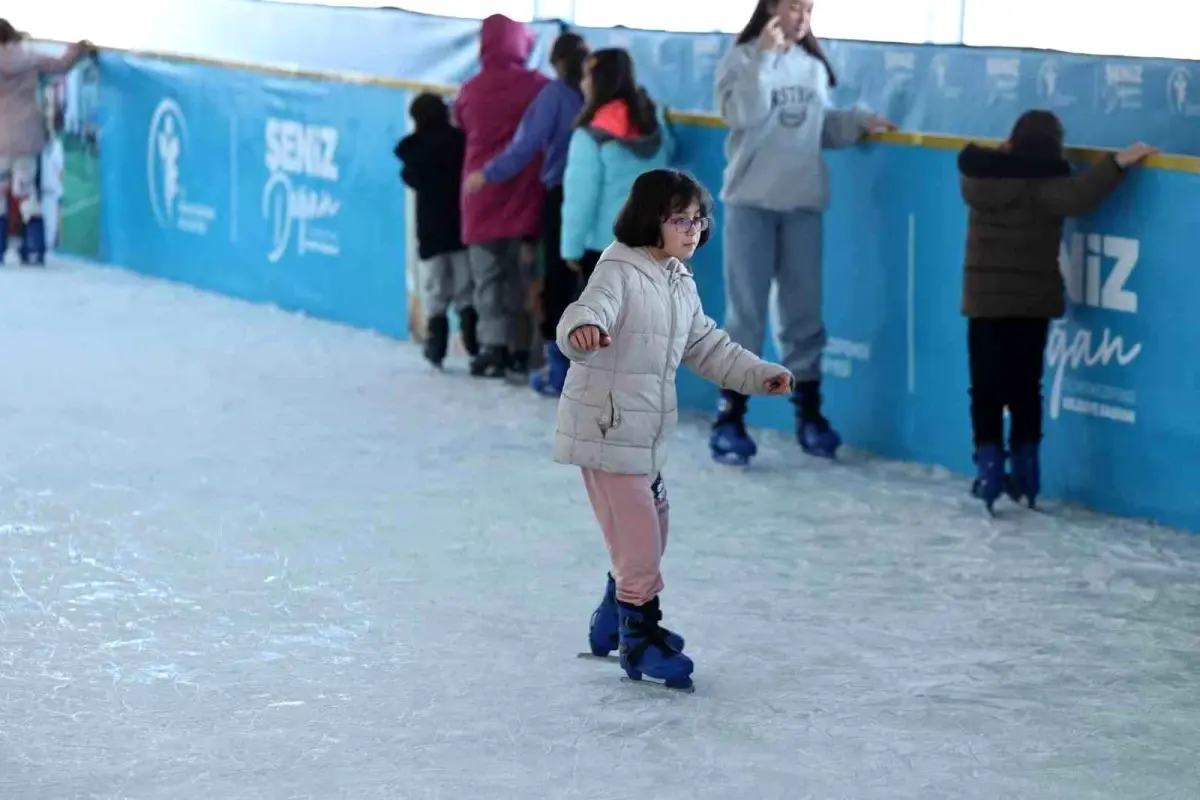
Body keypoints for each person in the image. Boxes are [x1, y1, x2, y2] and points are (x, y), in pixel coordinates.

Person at [554, 169, 794, 690]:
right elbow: (585, 311)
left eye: (698, 220)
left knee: (652, 534)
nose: (692, 230)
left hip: (644, 435)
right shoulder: (618, 267)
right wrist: (582, 331)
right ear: (650, 220)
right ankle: (639, 640)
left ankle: (615, 615)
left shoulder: (677, 279)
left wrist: (758, 374)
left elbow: (706, 347)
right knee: (639, 542)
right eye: (679, 220)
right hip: (607, 428)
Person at [709, 0, 893, 465]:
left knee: (803, 313)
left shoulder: (812, 66)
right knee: (746, 314)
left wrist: (856, 123)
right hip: (751, 201)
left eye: (809, 8)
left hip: (802, 203)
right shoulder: (740, 59)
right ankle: (730, 416)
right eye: (795, 6)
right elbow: (743, 114)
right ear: (771, 7)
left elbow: (816, 127)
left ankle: (810, 414)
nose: (803, 17)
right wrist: (765, 58)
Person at [957, 110, 1156, 511]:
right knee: (1026, 387)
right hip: (1031, 303)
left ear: (1012, 140)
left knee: (986, 387)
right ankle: (1028, 471)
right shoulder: (1047, 187)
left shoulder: (980, 178)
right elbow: (1082, 195)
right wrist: (1118, 163)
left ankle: (990, 467)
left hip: (985, 302)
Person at [463, 32, 590, 397]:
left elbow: (524, 146)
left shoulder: (553, 97)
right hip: (605, 206)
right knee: (598, 283)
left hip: (561, 196)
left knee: (557, 280)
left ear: (557, 62)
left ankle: (558, 366)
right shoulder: (600, 95)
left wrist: (487, 173)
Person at [454, 14, 549, 378]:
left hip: (479, 194)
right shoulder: (539, 86)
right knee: (523, 277)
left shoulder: (470, 90)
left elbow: (460, 123)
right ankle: (524, 350)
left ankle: (492, 348)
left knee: (488, 278)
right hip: (526, 194)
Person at [559, 49, 675, 310]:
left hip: (604, 248)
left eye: (587, 77)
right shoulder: (654, 126)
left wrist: (571, 248)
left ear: (599, 82)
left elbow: (580, 199)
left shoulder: (590, 138)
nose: (582, 83)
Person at [395, 92, 477, 368]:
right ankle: (472, 332)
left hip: (430, 228)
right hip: (461, 225)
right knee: (466, 284)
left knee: (435, 288)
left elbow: (409, 175)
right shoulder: (460, 142)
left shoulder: (415, 149)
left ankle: (436, 342)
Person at [0, 22, 92, 265]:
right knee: (26, 192)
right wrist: (76, 48)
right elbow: (61, 65)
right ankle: (35, 248)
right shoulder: (29, 56)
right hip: (27, 135)